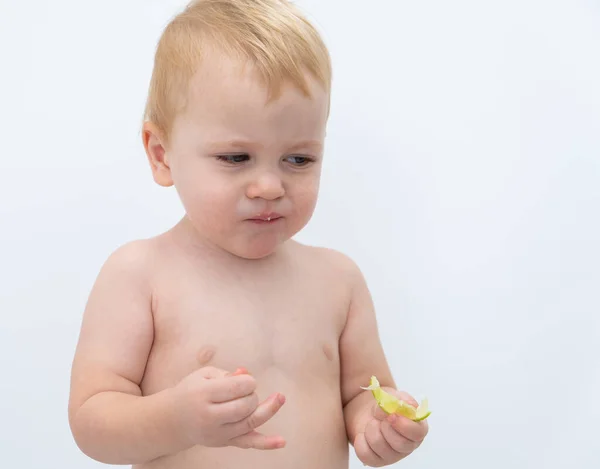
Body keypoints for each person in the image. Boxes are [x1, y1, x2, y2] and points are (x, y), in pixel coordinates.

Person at [68, 0, 429, 467]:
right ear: (162, 155)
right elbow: (92, 423)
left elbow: (363, 396)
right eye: (236, 158)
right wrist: (173, 419)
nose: (269, 187)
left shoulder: (339, 281)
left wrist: (378, 429)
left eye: (299, 159)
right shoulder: (141, 274)